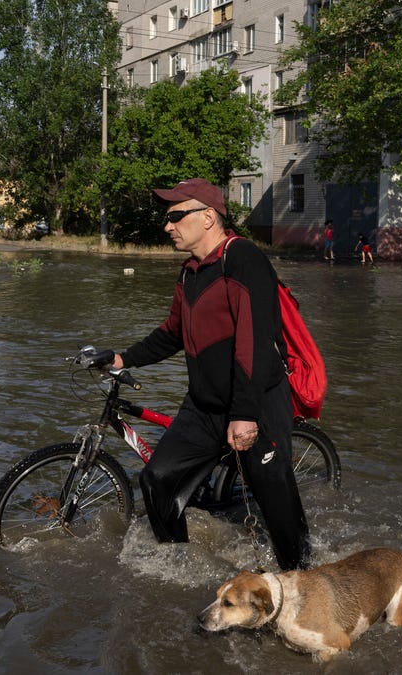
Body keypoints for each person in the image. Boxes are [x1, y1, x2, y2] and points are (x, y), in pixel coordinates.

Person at [110, 177, 311, 571]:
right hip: (204, 406)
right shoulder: (190, 272)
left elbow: (252, 342)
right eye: (166, 217)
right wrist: (123, 358)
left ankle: (303, 579)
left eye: (175, 216)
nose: (167, 226)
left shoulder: (242, 259)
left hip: (257, 403)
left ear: (207, 217)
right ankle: (180, 567)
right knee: (158, 479)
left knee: (276, 504)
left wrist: (245, 413)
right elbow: (173, 333)